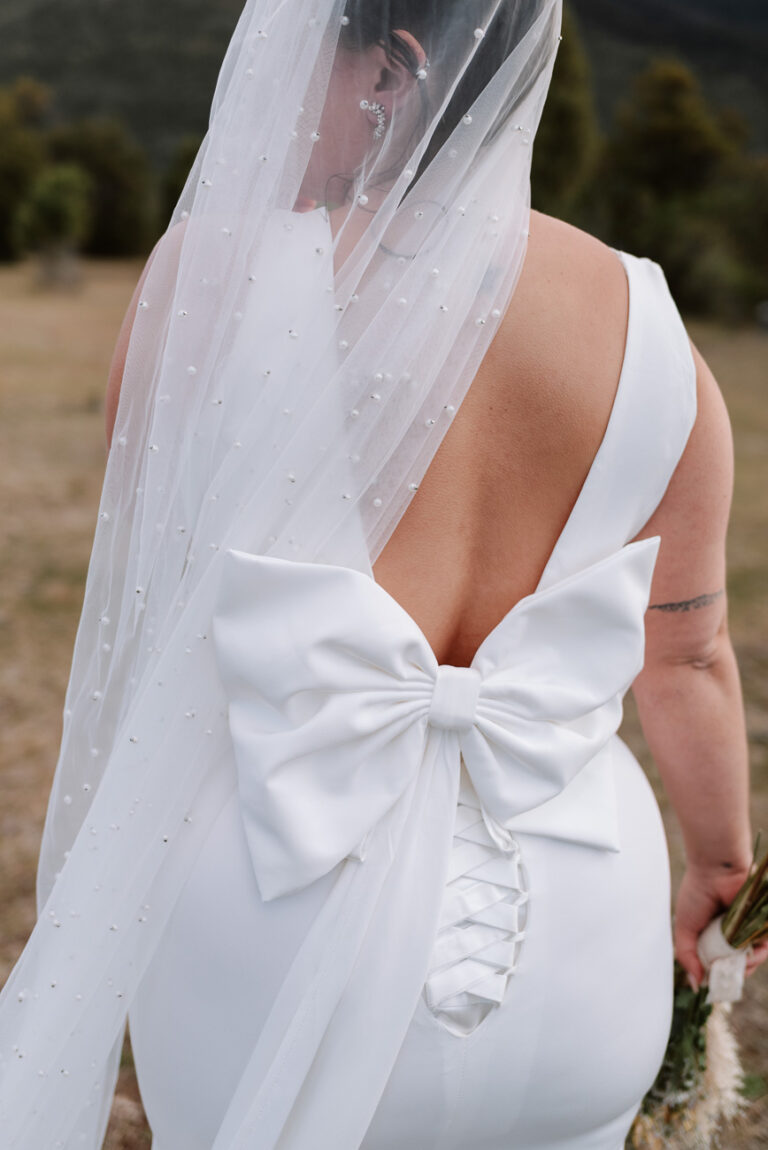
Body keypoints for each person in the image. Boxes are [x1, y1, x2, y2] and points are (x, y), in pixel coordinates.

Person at [2, 2, 767, 1148]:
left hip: (272, 928)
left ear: (391, 72)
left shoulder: (214, 279)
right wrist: (720, 866)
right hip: (580, 946)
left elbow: (146, 596)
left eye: (293, 49)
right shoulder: (654, 328)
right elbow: (692, 655)